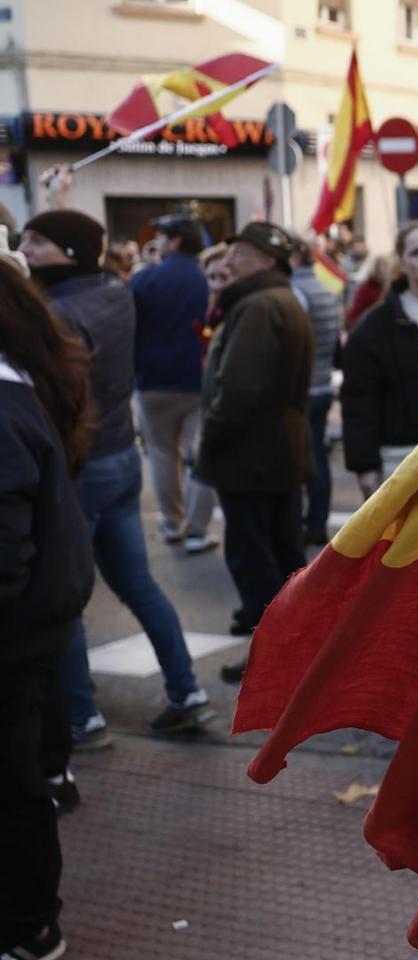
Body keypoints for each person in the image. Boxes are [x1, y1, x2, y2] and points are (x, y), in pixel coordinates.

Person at [20, 210, 216, 743]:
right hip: (119, 458)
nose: (25, 246)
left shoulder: (58, 312)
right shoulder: (114, 291)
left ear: (70, 251)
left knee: (63, 596)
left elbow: (54, 398)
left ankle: (82, 716)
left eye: (38, 240)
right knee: (138, 583)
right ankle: (186, 691)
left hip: (79, 467)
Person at [0, 253, 94, 960]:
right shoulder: (23, 387)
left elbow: (6, 553)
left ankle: (29, 929)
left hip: (15, 635)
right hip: (32, 626)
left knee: (11, 787)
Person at [195, 221, 313, 682]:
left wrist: (212, 441)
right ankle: (295, 651)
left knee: (256, 561)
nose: (229, 260)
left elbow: (237, 391)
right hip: (276, 453)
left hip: (250, 459)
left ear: (267, 260)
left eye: (240, 252)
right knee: (282, 557)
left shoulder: (259, 305)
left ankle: (272, 658)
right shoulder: (277, 299)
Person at [341, 221, 418, 500]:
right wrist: (366, 467)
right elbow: (360, 399)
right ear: (403, 264)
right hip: (403, 455)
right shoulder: (375, 326)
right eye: (416, 253)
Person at [131, 214, 219, 555]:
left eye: (163, 236)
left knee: (163, 455)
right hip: (199, 380)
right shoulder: (208, 278)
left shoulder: (145, 279)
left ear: (176, 241)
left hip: (153, 381)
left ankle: (172, 522)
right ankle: (197, 529)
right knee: (200, 456)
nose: (159, 242)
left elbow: (130, 323)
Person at [287, 236, 342, 546]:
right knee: (318, 456)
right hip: (322, 384)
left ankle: (306, 524)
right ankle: (318, 522)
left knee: (301, 460)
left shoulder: (295, 292)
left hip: (304, 387)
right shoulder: (324, 290)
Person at [345, 250, 394, 331]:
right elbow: (356, 316)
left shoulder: (388, 288)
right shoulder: (366, 289)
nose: (384, 271)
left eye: (386, 266)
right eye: (382, 267)